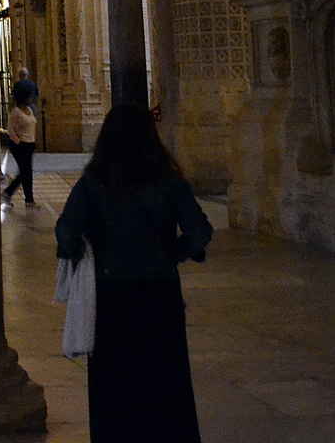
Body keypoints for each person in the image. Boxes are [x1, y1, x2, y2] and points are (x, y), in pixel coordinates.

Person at [55, 103, 213, 443]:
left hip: (111, 298)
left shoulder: (93, 184)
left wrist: (84, 253)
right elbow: (200, 233)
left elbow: (66, 231)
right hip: (160, 294)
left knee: (114, 386)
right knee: (165, 382)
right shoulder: (171, 183)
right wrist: (177, 252)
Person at [2, 93, 37, 208]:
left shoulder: (30, 110)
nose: (32, 98)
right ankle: (27, 199)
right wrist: (19, 142)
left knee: (26, 172)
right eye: (29, 96)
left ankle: (21, 197)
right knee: (25, 172)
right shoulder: (16, 112)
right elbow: (10, 129)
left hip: (30, 144)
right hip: (20, 146)